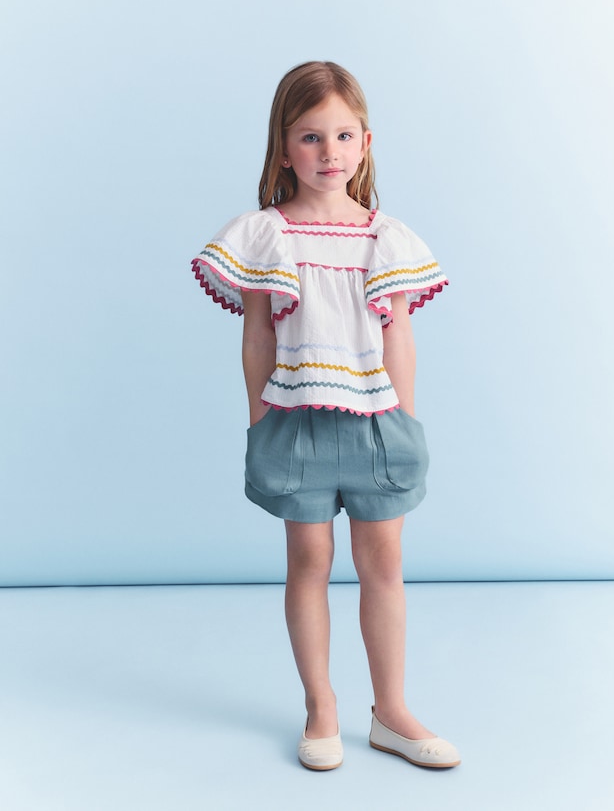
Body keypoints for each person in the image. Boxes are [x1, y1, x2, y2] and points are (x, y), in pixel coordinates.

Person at [191, 61, 460, 771]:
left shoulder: (387, 238)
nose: (329, 152)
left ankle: (391, 711)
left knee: (384, 563)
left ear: (365, 144)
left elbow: (400, 337)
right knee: (309, 560)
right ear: (284, 148)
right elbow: (256, 335)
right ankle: (322, 706)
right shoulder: (264, 235)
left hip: (377, 422)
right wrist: (260, 421)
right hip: (295, 420)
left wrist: (405, 423)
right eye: (310, 137)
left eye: (343, 136)